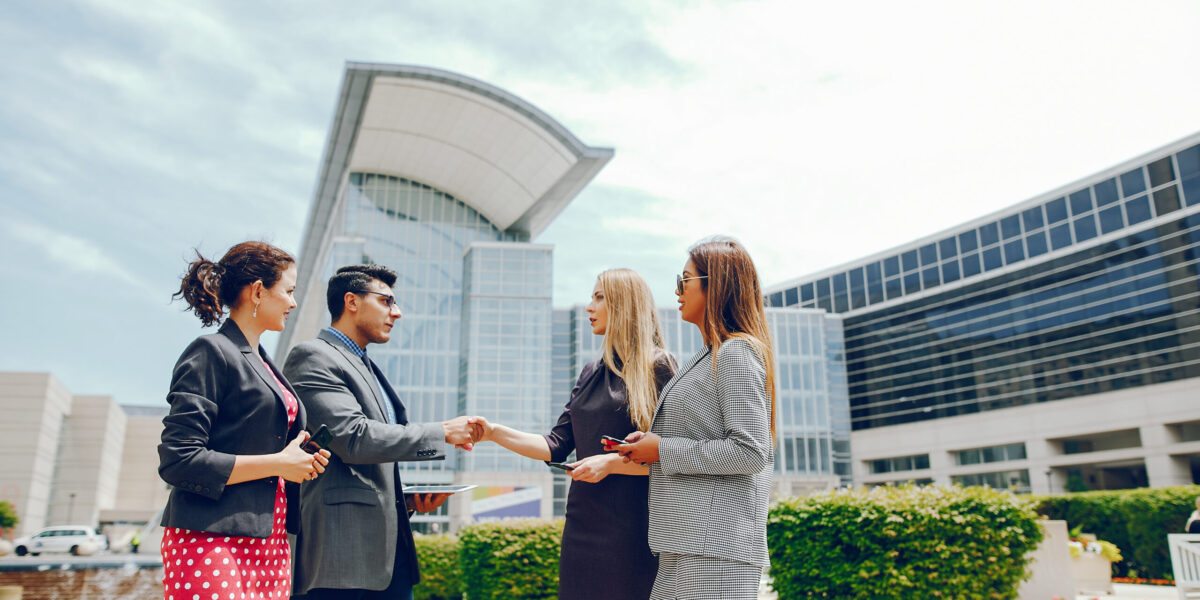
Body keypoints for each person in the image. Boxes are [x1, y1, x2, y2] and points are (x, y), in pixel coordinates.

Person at [470, 269, 676, 600]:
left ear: (623, 304)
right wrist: (494, 432)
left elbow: (671, 458)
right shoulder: (590, 372)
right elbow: (555, 446)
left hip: (635, 529)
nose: (588, 307)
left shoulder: (660, 366)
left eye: (599, 297)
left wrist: (610, 463)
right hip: (581, 525)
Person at [282, 264, 480, 600]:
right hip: (340, 559)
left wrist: (406, 500)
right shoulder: (313, 357)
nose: (397, 313)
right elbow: (352, 438)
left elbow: (373, 457)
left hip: (387, 558)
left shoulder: (367, 366)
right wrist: (441, 432)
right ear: (352, 301)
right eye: (387, 301)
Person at [158, 241, 330, 600]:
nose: (293, 302)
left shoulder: (266, 364)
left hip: (269, 543)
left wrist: (299, 460)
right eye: (288, 291)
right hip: (211, 540)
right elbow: (179, 459)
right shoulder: (210, 351)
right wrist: (280, 463)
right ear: (257, 291)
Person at [617, 236, 776, 600]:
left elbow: (751, 452)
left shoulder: (735, 353)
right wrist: (650, 446)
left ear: (715, 285)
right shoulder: (707, 356)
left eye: (684, 280)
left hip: (716, 548)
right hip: (686, 544)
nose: (677, 290)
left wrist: (662, 450)